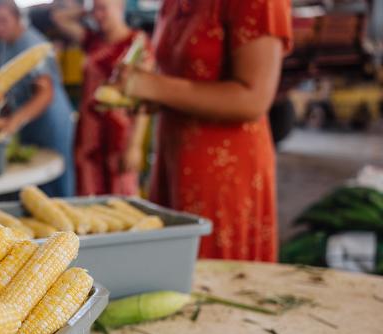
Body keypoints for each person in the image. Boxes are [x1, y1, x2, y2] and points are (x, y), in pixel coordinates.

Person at [112, 0, 292, 261]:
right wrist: (152, 95)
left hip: (223, 175)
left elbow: (254, 99)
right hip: (173, 159)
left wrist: (154, 87)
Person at [52, 0, 150, 196]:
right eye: (94, 10)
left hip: (120, 135)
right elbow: (58, 18)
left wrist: (135, 145)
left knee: (121, 199)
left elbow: (145, 97)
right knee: (88, 198)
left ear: (120, 7)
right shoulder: (92, 40)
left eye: (103, 8)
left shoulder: (137, 41)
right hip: (88, 135)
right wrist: (87, 10)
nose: (98, 15)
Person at [0, 0, 76, 197]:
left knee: (54, 187)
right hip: (28, 123)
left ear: (18, 19)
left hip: (50, 122)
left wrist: (13, 122)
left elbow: (45, 93)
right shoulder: (5, 44)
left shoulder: (32, 43)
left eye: (3, 21)